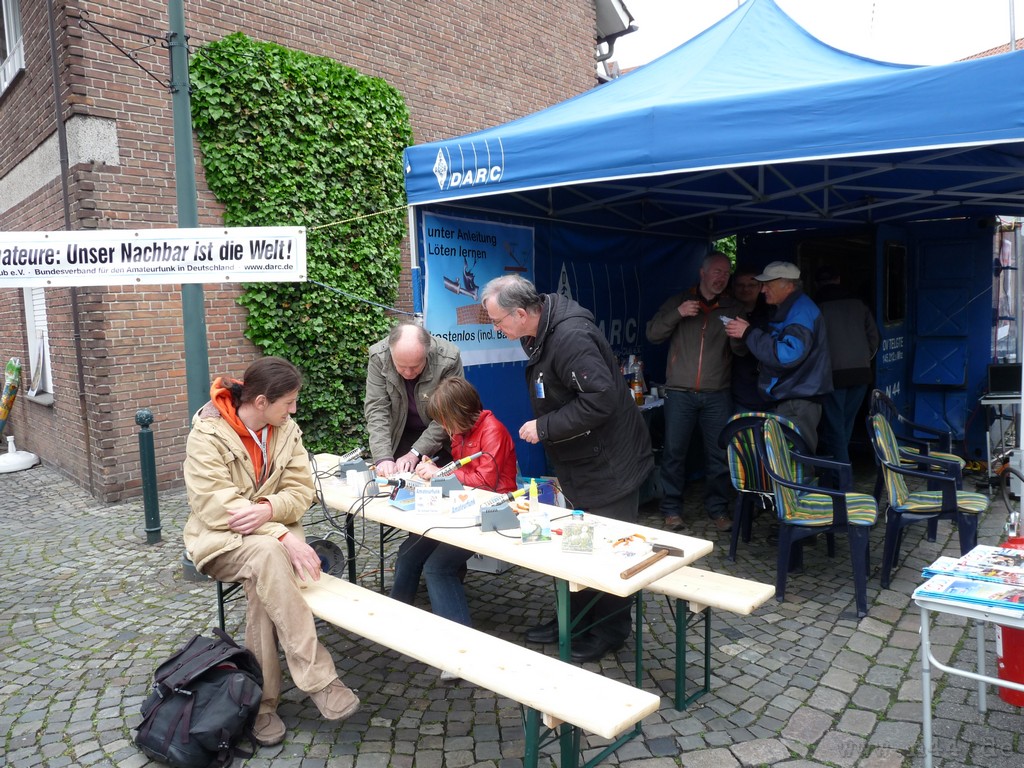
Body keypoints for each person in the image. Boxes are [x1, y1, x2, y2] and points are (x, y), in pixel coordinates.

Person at [182, 357, 359, 748]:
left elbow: (302, 491)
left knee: (264, 579)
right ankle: (320, 679)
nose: (294, 410)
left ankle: (260, 705)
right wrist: (280, 532)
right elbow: (216, 507)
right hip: (219, 542)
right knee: (267, 554)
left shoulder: (286, 430)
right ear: (261, 402)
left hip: (271, 549)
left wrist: (268, 510)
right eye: (288, 402)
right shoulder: (207, 435)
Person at [480, 274, 654, 664]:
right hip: (581, 461)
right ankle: (572, 620)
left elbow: (601, 399)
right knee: (578, 543)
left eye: (497, 321)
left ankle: (609, 630)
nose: (495, 328)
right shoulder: (538, 333)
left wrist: (544, 427)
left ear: (521, 313)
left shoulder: (571, 336)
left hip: (610, 463)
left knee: (610, 548)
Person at [390, 378, 518, 665]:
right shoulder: (461, 431)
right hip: (463, 508)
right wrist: (436, 469)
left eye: (446, 420)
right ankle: (395, 621)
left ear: (460, 412)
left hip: (495, 511)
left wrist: (440, 473)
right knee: (409, 553)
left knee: (438, 567)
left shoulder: (492, 430)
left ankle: (460, 652)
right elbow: (461, 473)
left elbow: (486, 482)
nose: (445, 428)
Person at [645, 252, 742, 533]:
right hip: (679, 392)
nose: (722, 277)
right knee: (674, 452)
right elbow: (652, 334)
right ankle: (671, 510)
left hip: (717, 392)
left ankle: (718, 510)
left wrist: (740, 336)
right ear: (702, 272)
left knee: (718, 454)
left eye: (726, 273)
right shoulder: (679, 301)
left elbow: (742, 352)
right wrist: (678, 313)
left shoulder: (732, 307)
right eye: (717, 271)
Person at [725, 261, 832, 452]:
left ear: (788, 285)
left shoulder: (800, 312)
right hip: (795, 397)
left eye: (768, 284)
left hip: (797, 400)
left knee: (795, 459)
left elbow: (787, 355)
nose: (763, 289)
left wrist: (748, 333)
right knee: (787, 459)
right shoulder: (791, 308)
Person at [364, 321, 464, 476]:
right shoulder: (379, 357)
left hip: (442, 439)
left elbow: (450, 413)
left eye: (416, 366)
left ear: (427, 352)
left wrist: (416, 452)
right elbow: (377, 409)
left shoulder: (448, 358)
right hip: (400, 434)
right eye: (401, 366)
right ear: (391, 354)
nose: (408, 373)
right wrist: (383, 458)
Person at [814, 265, 880, 463]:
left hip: (832, 374)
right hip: (861, 373)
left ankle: (841, 472)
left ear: (817, 283)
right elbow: (874, 337)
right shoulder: (859, 303)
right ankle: (840, 466)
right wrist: (863, 358)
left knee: (834, 425)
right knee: (845, 423)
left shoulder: (814, 304)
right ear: (838, 279)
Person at [729, 266, 774, 413]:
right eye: (740, 285)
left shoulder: (772, 313)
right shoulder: (725, 312)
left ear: (761, 287)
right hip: (734, 387)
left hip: (767, 387)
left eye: (751, 285)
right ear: (733, 286)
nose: (745, 289)